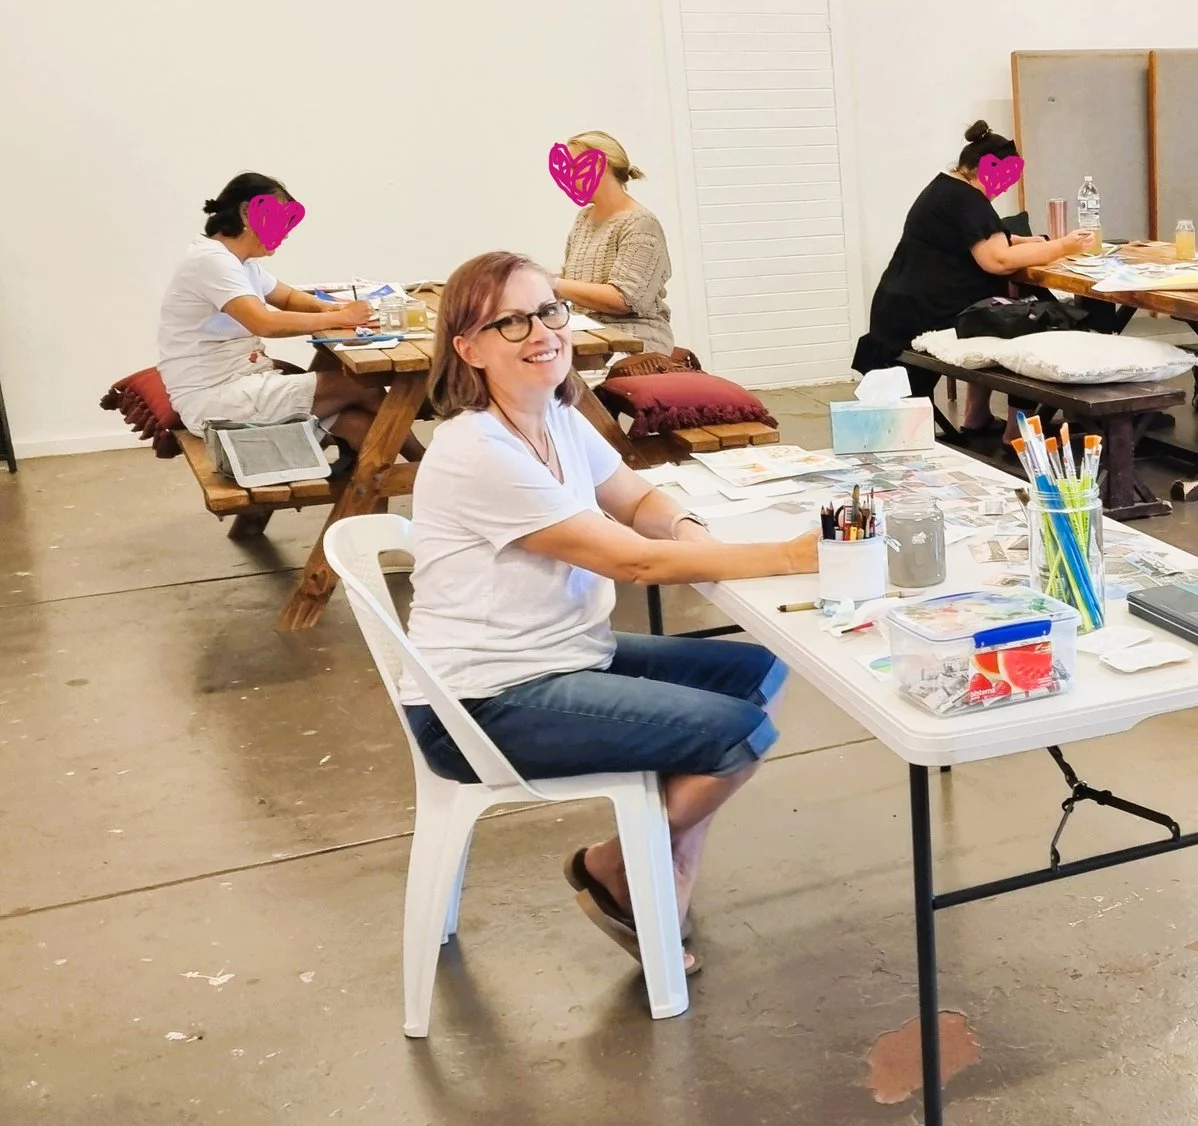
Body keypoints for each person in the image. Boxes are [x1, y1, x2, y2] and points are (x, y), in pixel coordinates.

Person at [399, 250, 818, 973]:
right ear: (468, 349)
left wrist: (693, 532)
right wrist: (785, 555)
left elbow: (636, 500)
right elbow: (632, 561)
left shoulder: (556, 415)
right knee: (738, 733)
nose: (542, 333)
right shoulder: (479, 451)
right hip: (483, 700)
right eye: (512, 322)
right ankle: (618, 866)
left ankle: (661, 874)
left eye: (549, 311)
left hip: (562, 652)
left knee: (751, 669)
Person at [852, 120, 1091, 432]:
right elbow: (998, 260)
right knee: (1035, 323)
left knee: (1001, 312)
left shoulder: (946, 187)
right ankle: (1019, 432)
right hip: (923, 316)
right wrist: (1064, 245)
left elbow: (979, 239)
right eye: (1003, 177)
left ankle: (977, 417)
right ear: (980, 169)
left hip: (901, 308)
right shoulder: (966, 199)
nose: (1005, 186)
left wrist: (1025, 241)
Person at [157, 172, 388, 447]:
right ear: (247, 214)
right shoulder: (212, 262)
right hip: (216, 400)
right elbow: (264, 323)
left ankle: (403, 476)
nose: (286, 232)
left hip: (240, 385)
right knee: (364, 385)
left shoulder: (239, 262)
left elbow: (288, 297)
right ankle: (426, 466)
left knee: (357, 425)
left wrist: (328, 309)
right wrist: (341, 318)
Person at [553, 131, 678, 353]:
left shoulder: (640, 223)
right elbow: (570, 283)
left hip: (635, 339)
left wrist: (554, 284)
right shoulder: (584, 218)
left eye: (573, 168)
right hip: (590, 332)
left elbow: (626, 300)